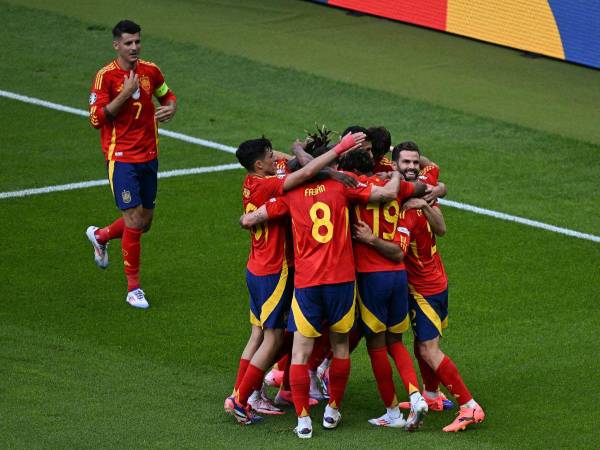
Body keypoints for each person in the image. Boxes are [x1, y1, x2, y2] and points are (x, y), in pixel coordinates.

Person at [240, 151, 402, 439]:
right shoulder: (343, 185)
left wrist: (247, 216)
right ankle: (333, 410)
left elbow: (251, 219)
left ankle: (303, 419)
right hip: (341, 281)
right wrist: (400, 175)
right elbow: (385, 195)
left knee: (300, 351)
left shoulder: (291, 193)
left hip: (307, 283)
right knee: (340, 346)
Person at [225, 133, 367, 425]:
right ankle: (242, 398)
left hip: (256, 266)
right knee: (274, 337)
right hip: (275, 269)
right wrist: (337, 153)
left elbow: (294, 168)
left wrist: (301, 151)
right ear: (258, 164)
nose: (275, 160)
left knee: (259, 334)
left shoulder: (254, 183)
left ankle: (247, 395)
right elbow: (305, 171)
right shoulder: (274, 186)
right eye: (269, 156)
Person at [392, 142, 485, 432]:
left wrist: (422, 204)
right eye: (405, 162)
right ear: (394, 164)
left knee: (428, 348)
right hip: (433, 281)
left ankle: (469, 406)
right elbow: (434, 172)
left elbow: (439, 229)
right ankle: (432, 396)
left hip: (424, 287)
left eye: (414, 163)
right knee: (422, 344)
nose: (411, 167)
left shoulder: (413, 201)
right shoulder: (425, 184)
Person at [86, 20, 176, 309]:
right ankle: (133, 288)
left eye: (137, 41)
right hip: (122, 158)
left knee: (144, 223)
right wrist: (125, 93)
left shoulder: (151, 70)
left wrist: (171, 106)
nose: (134, 47)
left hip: (149, 157)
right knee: (134, 221)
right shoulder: (105, 77)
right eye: (128, 43)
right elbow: (96, 119)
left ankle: (100, 235)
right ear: (116, 45)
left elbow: (167, 94)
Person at [338, 149, 429, 430]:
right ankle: (415, 395)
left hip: (371, 277)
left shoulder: (354, 188)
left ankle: (392, 412)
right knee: (396, 341)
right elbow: (424, 185)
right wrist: (394, 175)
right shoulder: (396, 187)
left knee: (377, 345)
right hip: (397, 276)